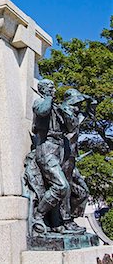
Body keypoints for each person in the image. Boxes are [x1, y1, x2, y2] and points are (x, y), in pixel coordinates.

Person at [31, 79, 78, 233]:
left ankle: (60, 222)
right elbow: (43, 111)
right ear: (43, 89)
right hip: (46, 148)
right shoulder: (40, 102)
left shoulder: (57, 107)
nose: (54, 90)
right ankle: (38, 214)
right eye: (50, 87)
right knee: (61, 185)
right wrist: (49, 98)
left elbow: (70, 127)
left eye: (53, 87)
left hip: (60, 148)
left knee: (67, 187)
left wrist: (67, 111)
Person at [60, 88, 96, 231]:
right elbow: (71, 125)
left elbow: (90, 116)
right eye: (75, 103)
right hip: (63, 156)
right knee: (66, 188)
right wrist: (71, 107)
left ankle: (71, 217)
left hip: (72, 157)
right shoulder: (63, 113)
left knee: (83, 192)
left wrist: (91, 102)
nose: (78, 107)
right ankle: (65, 220)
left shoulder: (74, 114)